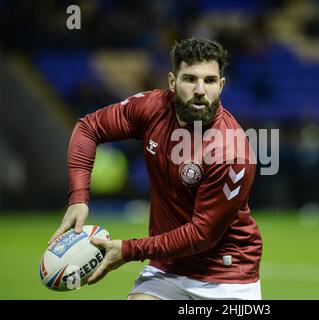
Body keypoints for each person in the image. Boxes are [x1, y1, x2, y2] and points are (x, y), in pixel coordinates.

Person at [47, 38, 263, 300]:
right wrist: (78, 198)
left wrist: (128, 250)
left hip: (226, 277)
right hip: (167, 268)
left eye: (209, 81)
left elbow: (201, 235)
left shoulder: (232, 151)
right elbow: (88, 128)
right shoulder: (151, 108)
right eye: (189, 79)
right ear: (172, 82)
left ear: (221, 85)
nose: (199, 90)